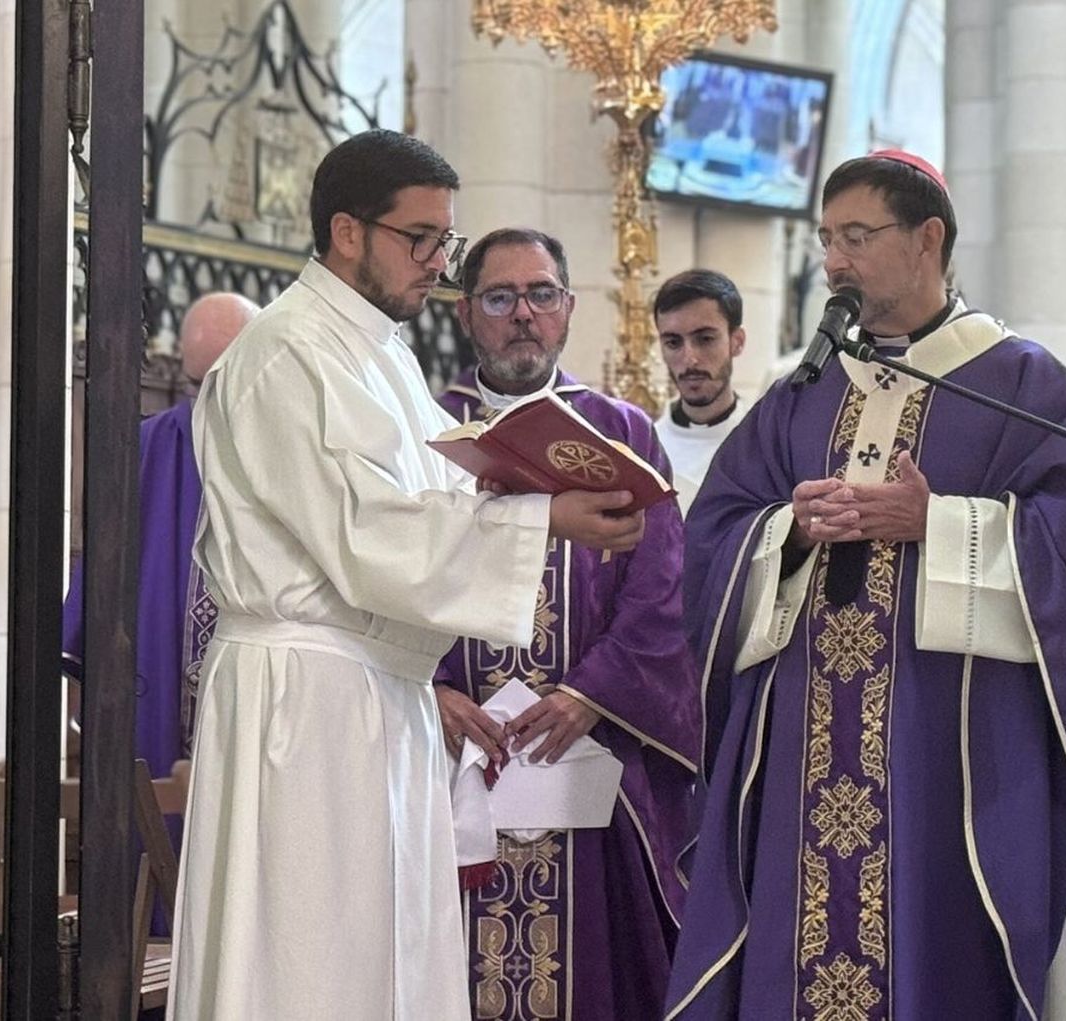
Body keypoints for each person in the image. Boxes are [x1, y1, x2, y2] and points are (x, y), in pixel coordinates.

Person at [666, 150, 1066, 1019]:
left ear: (928, 239)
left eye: (856, 236)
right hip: (806, 756)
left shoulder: (1025, 384)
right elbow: (714, 536)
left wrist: (943, 525)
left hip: (952, 768)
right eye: (825, 241)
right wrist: (789, 531)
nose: (834, 261)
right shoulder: (797, 397)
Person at [169, 130, 647, 1021]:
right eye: (421, 240)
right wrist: (545, 517)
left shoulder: (379, 351)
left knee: (389, 952)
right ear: (348, 232)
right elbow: (366, 530)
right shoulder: (286, 354)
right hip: (303, 698)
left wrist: (538, 478)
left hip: (377, 692)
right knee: (308, 953)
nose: (441, 264)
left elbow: (444, 479)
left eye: (446, 241)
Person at [434, 227, 700, 1020]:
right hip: (446, 756)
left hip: (586, 760)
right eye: (501, 296)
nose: (524, 314)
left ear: (569, 309)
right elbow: (384, 568)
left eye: (542, 294)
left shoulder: (621, 433)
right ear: (464, 313)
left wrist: (592, 693)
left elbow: (662, 589)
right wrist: (431, 690)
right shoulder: (426, 430)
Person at [61, 290, 258, 776]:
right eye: (198, 387)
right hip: (162, 703)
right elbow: (95, 604)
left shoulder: (299, 445)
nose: (212, 404)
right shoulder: (143, 451)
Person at [651, 268, 750, 514]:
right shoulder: (647, 450)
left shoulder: (762, 441)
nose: (690, 359)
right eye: (673, 343)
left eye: (705, 339)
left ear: (736, 342)